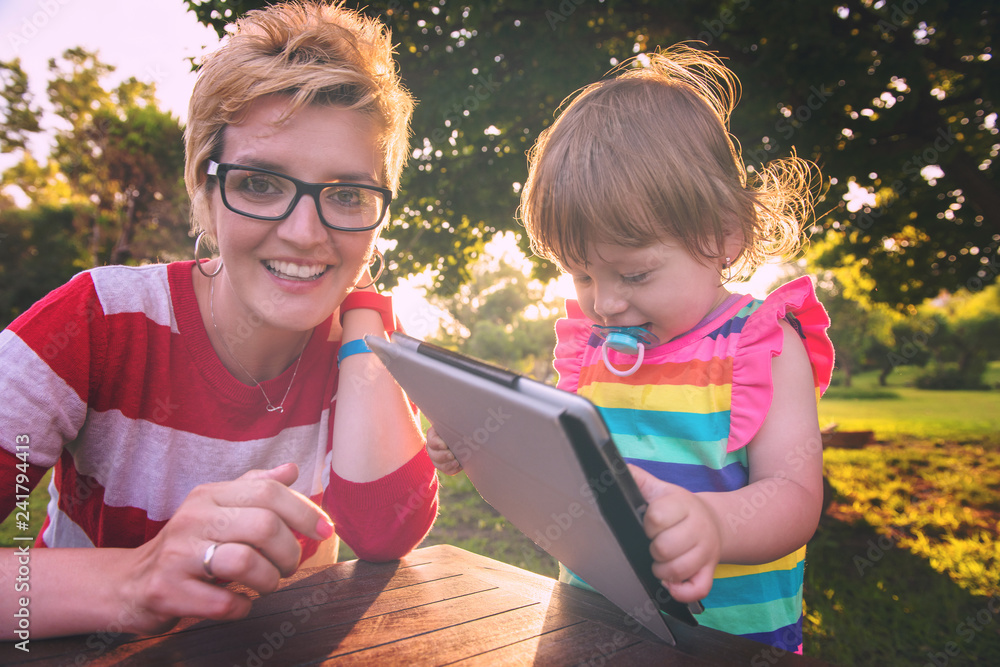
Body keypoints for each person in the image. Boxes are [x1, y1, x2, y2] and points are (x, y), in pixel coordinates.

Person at [0, 1, 437, 641]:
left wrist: (365, 310)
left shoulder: (363, 349)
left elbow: (383, 531)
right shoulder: (94, 320)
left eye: (347, 195)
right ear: (204, 192)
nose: (305, 233)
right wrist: (135, 580)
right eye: (260, 183)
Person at [427, 46, 834, 653]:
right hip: (588, 621)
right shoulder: (590, 349)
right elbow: (567, 467)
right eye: (581, 275)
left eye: (635, 275)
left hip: (729, 646)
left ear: (725, 235)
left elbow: (796, 497)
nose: (607, 303)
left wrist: (714, 525)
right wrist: (484, 441)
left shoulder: (761, 342)